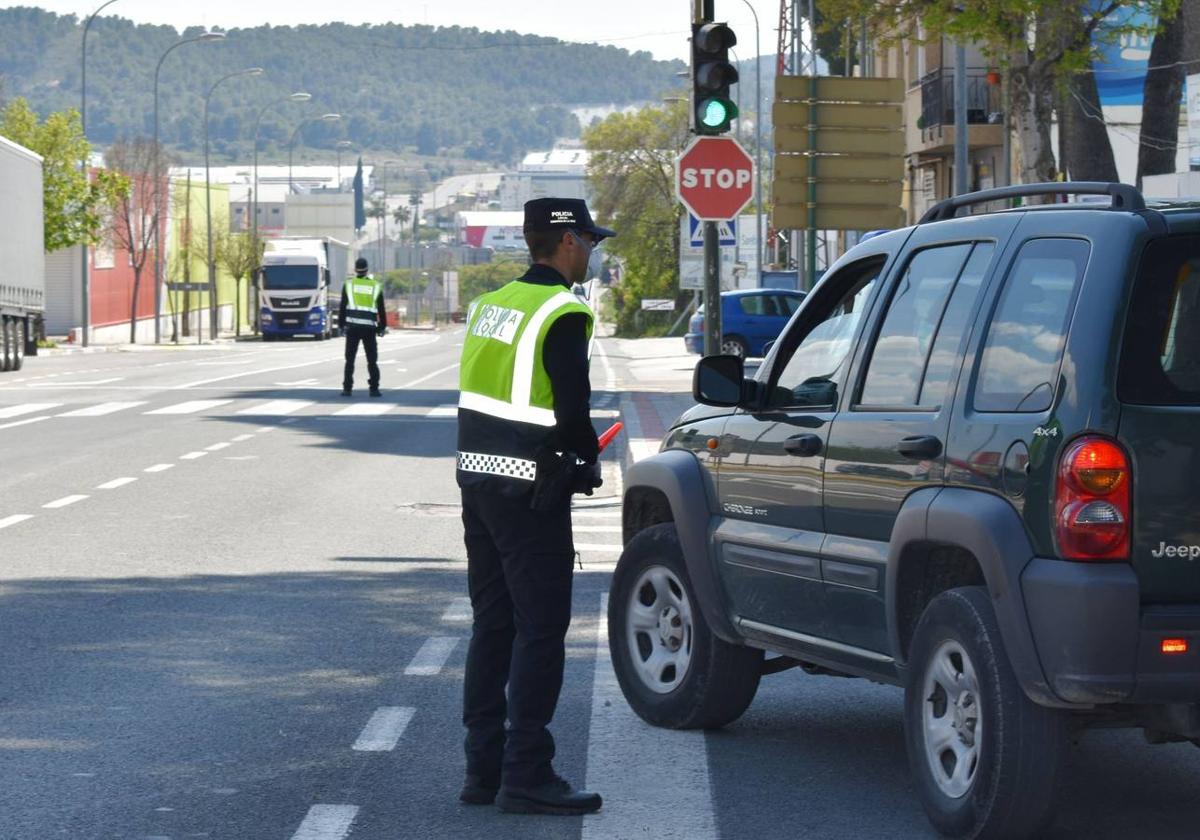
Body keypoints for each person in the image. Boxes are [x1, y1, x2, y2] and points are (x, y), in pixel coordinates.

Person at [455, 197, 613, 816]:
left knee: (492, 624)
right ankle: (528, 773)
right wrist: (585, 458)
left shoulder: (490, 306)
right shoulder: (563, 310)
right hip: (530, 488)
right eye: (590, 241)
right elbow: (572, 408)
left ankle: (483, 770)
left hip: (478, 481)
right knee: (542, 629)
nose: (593, 252)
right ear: (567, 241)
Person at [339, 257, 386, 397]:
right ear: (367, 269)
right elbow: (381, 309)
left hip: (352, 327)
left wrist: (341, 326)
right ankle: (374, 389)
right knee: (372, 360)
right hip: (369, 329)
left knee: (350, 359)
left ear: (355, 269)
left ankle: (347, 388)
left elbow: (342, 307)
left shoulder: (348, 285)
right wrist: (382, 327)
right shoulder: (375, 286)